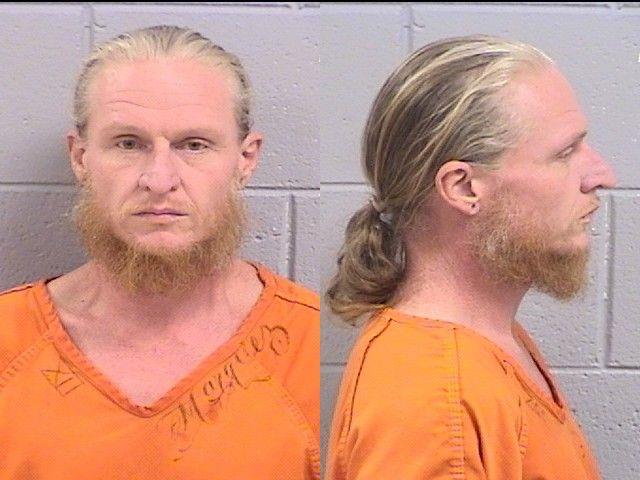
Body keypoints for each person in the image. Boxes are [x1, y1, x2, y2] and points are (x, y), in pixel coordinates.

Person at [0, 25, 319, 480]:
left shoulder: (309, 344)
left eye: (194, 145)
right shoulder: (9, 341)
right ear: (80, 157)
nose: (159, 179)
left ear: (245, 159)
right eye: (128, 144)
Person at [325, 35, 615, 480]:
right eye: (564, 154)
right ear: (463, 188)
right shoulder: (438, 403)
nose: (602, 175)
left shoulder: (488, 340)